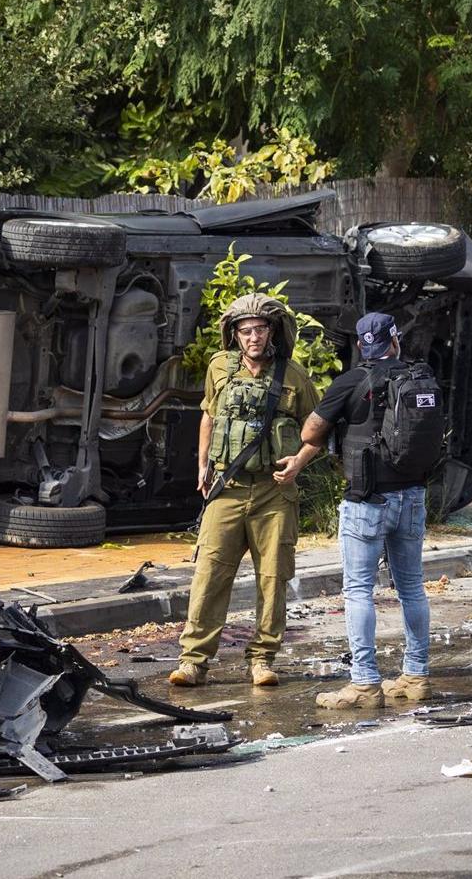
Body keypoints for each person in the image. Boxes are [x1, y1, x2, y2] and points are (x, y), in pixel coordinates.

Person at [169, 293, 321, 688]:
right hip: (227, 487)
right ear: (235, 335)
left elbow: (319, 430)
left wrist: (299, 462)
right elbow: (208, 415)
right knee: (209, 574)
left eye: (260, 329)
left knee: (273, 578)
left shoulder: (294, 376)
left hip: (274, 492)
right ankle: (194, 661)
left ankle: (262, 659)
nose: (253, 337)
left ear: (272, 332)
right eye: (245, 331)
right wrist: (202, 465)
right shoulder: (219, 367)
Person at [299, 312, 441, 709]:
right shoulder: (419, 375)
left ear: (363, 345)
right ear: (395, 341)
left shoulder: (351, 381)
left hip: (367, 500)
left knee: (359, 589)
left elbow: (311, 432)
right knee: (411, 587)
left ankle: (364, 682)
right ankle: (416, 676)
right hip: (412, 495)